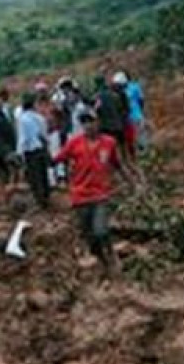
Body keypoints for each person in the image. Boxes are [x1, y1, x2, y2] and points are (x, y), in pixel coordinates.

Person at [52, 108, 140, 279]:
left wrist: (132, 184)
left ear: (98, 122)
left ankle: (112, 256)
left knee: (100, 230)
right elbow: (57, 159)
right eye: (84, 122)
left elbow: (119, 165)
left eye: (91, 121)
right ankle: (102, 261)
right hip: (80, 196)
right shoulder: (74, 143)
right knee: (89, 236)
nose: (88, 126)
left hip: (100, 195)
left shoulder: (109, 143)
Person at [17, 92, 51, 209]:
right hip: (41, 148)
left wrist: (20, 153)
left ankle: (40, 200)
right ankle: (46, 196)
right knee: (43, 174)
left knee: (34, 176)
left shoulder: (22, 119)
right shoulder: (40, 118)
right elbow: (45, 135)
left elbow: (23, 138)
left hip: (30, 151)